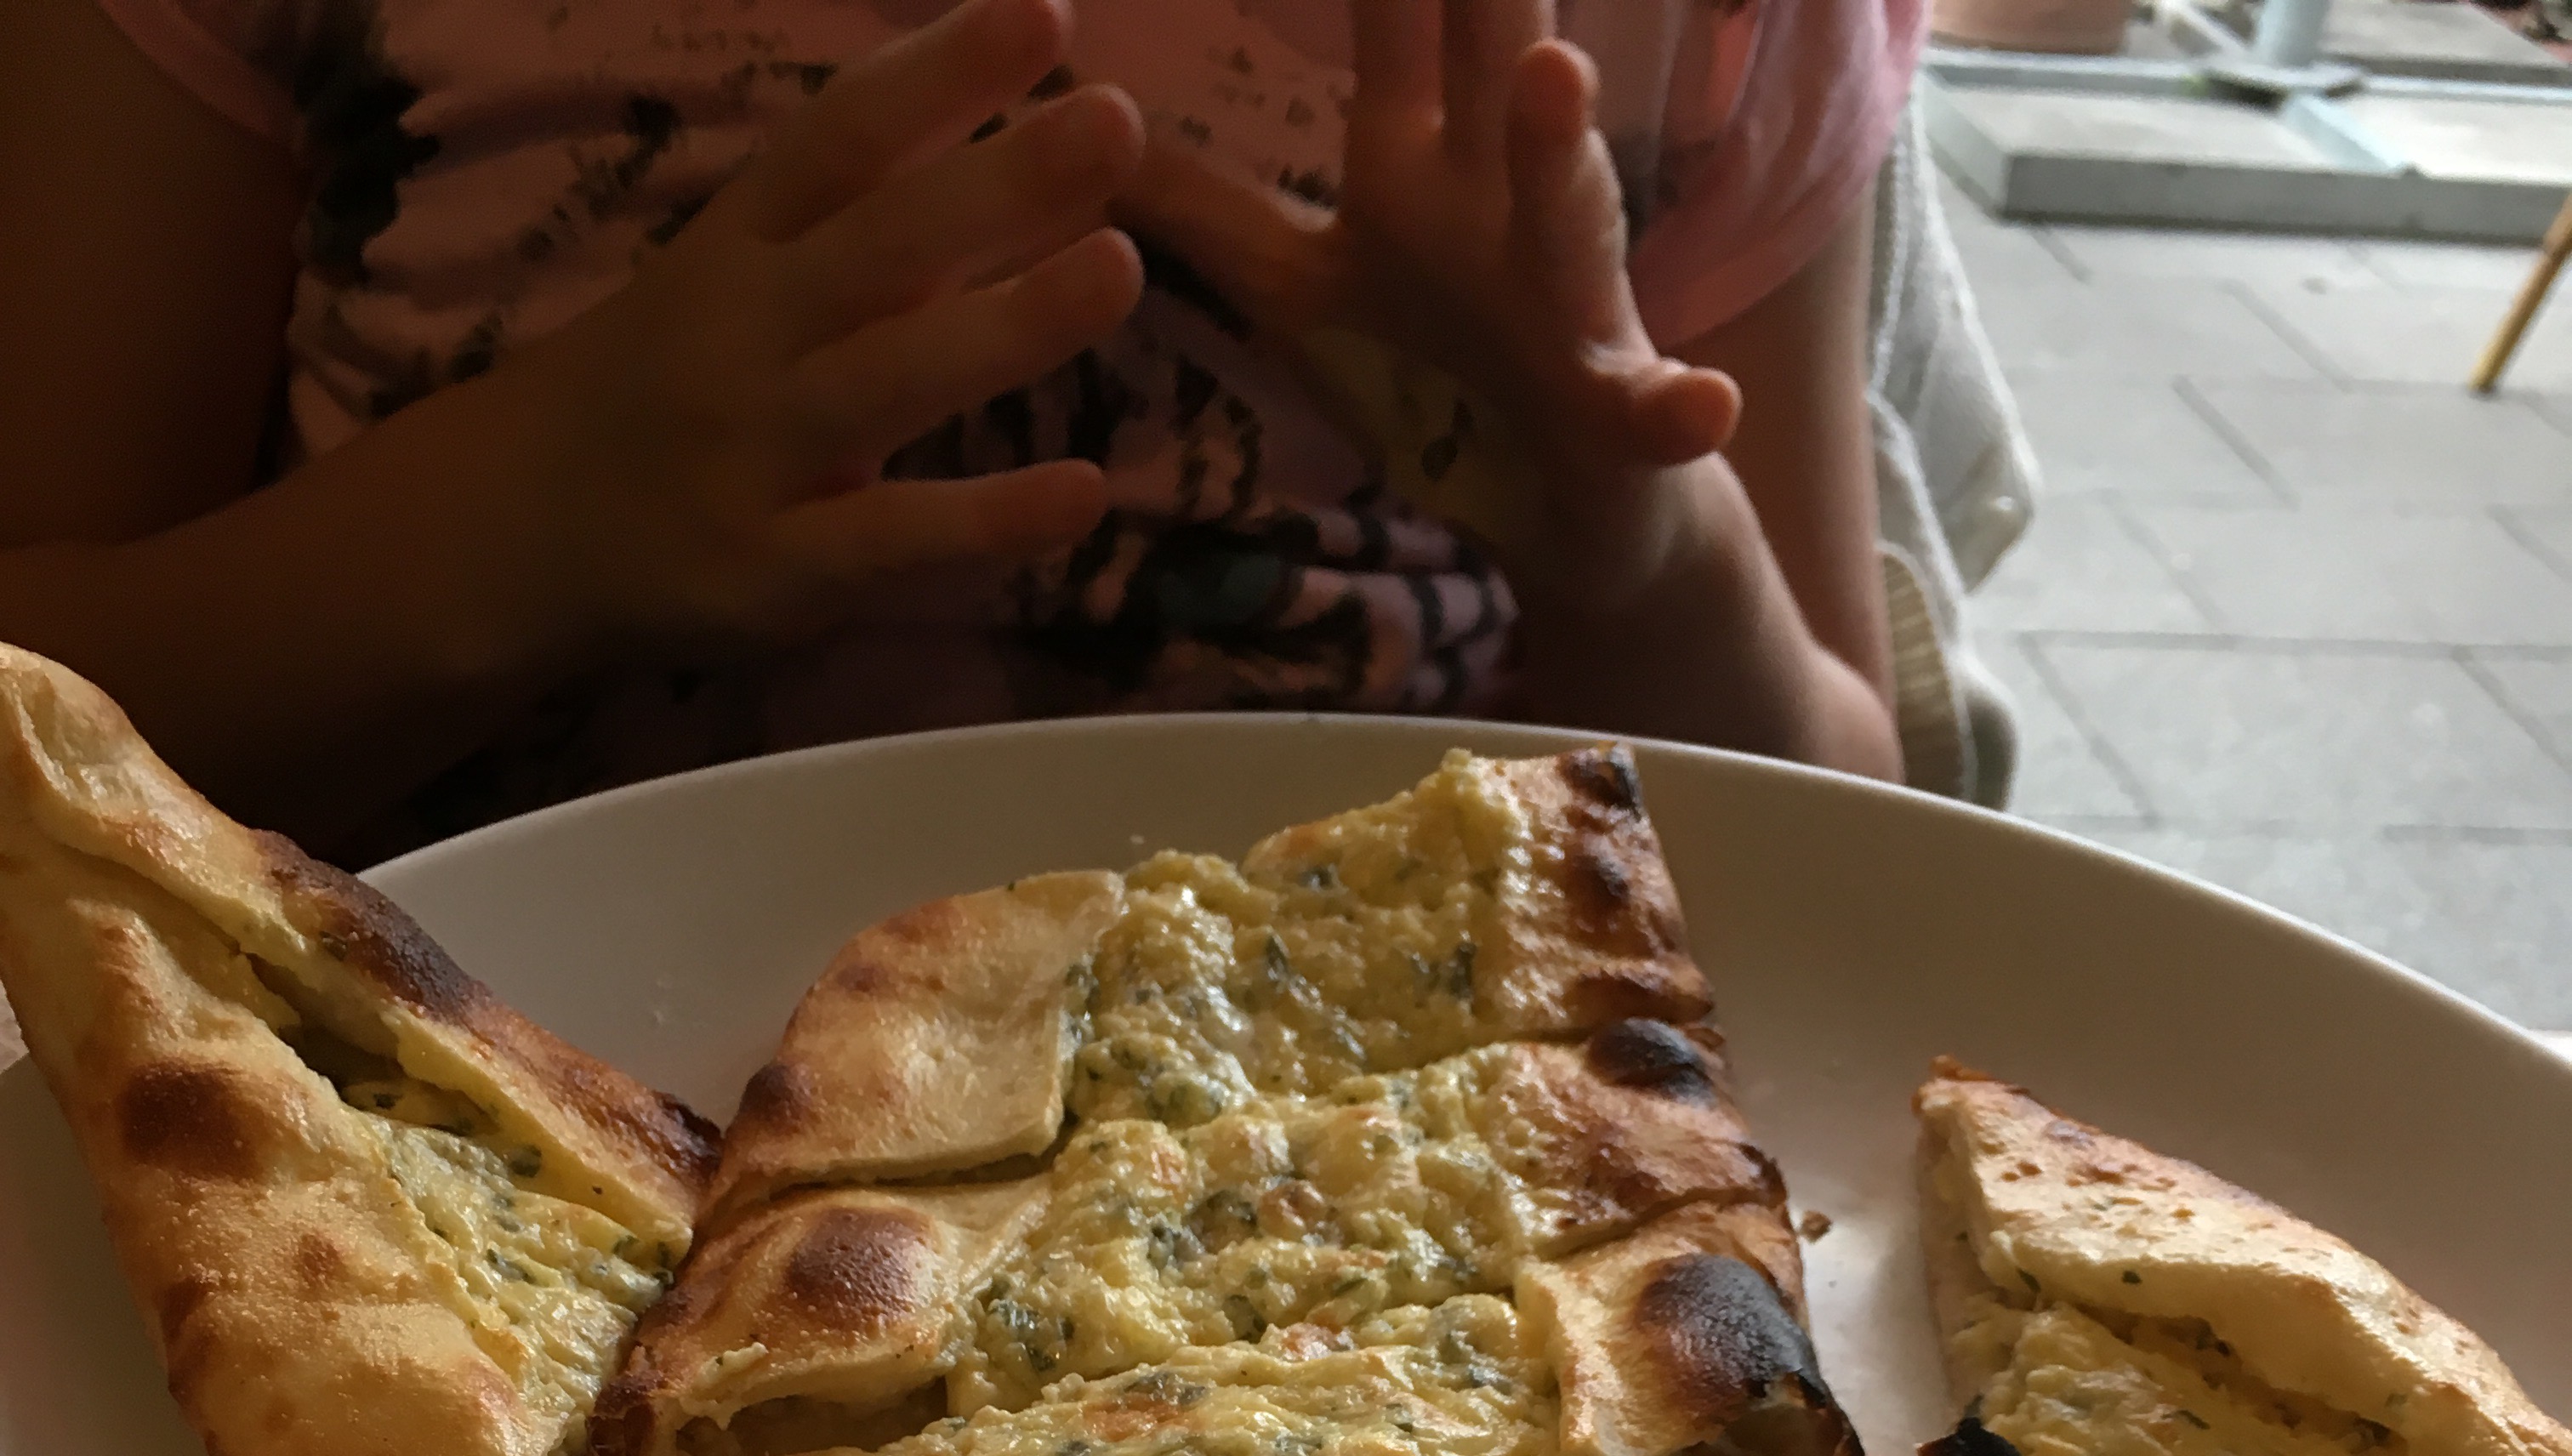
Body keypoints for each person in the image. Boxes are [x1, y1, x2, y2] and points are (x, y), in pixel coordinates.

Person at [0, 0, 1963, 862]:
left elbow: (1853, 857)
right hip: (416, 1168)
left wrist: (1638, 554)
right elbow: (37, 709)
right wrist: (520, 528)